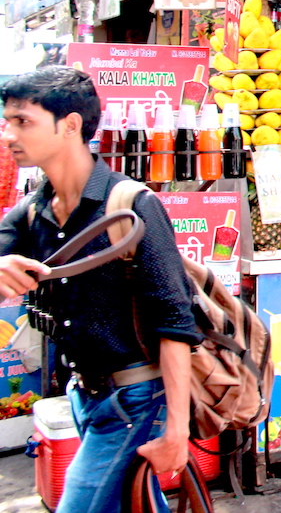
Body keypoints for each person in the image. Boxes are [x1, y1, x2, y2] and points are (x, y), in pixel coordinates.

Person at [0, 67, 200, 513]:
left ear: (70, 125)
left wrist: (177, 432)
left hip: (135, 398)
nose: (9, 132)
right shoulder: (34, 210)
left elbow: (175, 324)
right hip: (84, 396)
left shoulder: (131, 207)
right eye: (8, 120)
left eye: (22, 121)